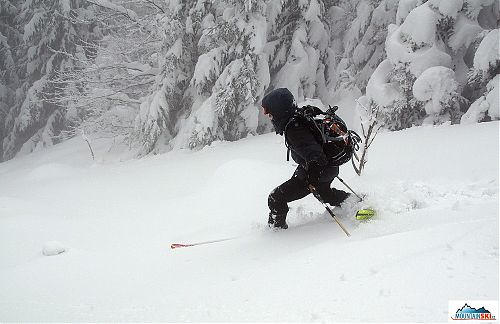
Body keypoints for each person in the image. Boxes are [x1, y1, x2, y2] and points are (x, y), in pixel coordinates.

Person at [262, 88, 350, 230]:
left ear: (278, 110)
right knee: (325, 194)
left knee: (276, 198)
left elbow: (316, 157)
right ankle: (355, 203)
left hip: (319, 170)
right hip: (326, 168)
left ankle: (275, 234)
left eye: (268, 111)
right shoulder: (298, 117)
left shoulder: (294, 129)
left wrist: (311, 179)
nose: (268, 115)